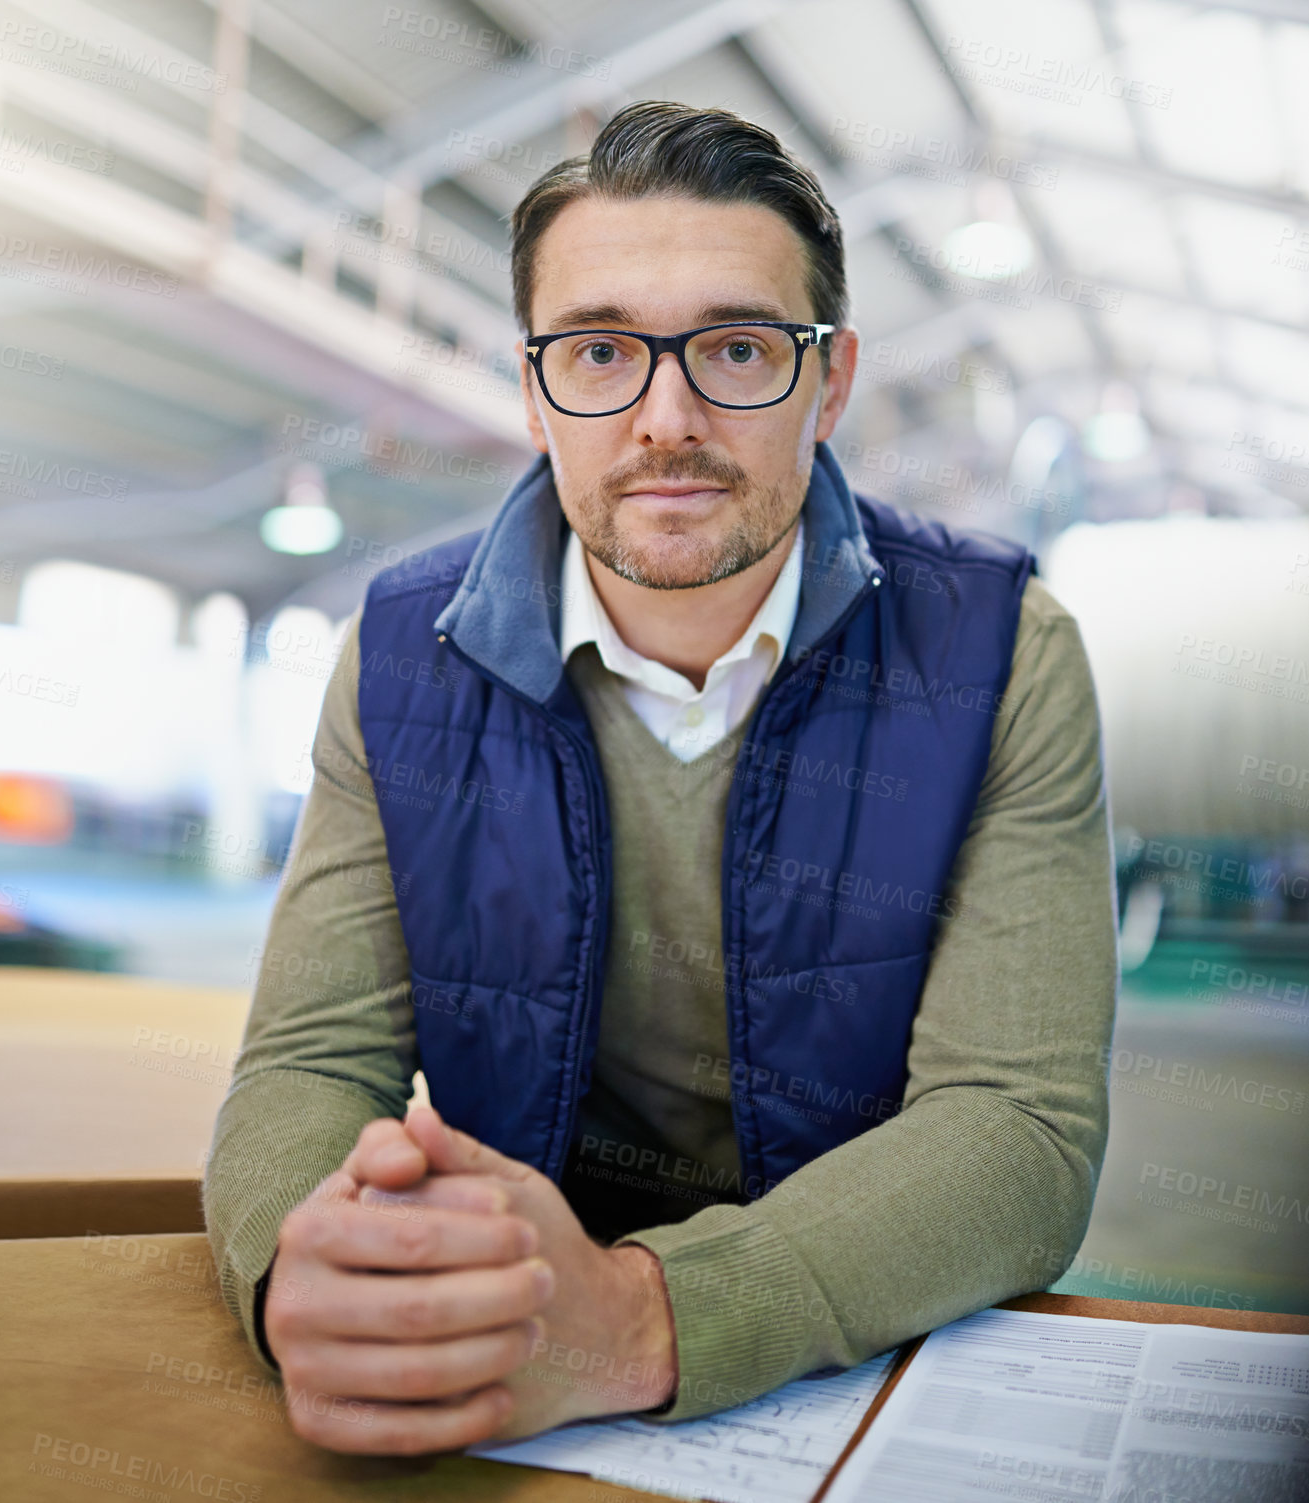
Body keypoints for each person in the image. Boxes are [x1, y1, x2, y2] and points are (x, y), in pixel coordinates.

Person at [203, 99, 1119, 1456]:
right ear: (531, 387)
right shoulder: (405, 654)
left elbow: (1017, 1126)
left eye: (738, 348)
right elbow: (308, 1061)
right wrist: (312, 1279)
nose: (665, 418)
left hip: (854, 1328)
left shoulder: (995, 651)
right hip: (514, 1314)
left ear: (831, 380)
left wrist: (641, 1319)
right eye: (598, 351)